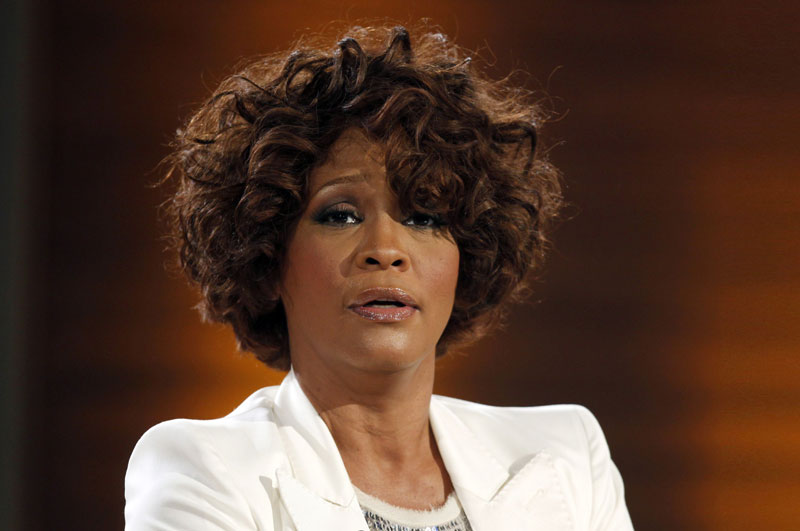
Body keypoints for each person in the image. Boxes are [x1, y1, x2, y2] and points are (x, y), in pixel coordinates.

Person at [124, 24, 634, 530]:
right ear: (268, 255)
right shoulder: (205, 471)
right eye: (341, 215)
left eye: (424, 217)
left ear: (468, 255)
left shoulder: (567, 459)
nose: (386, 251)